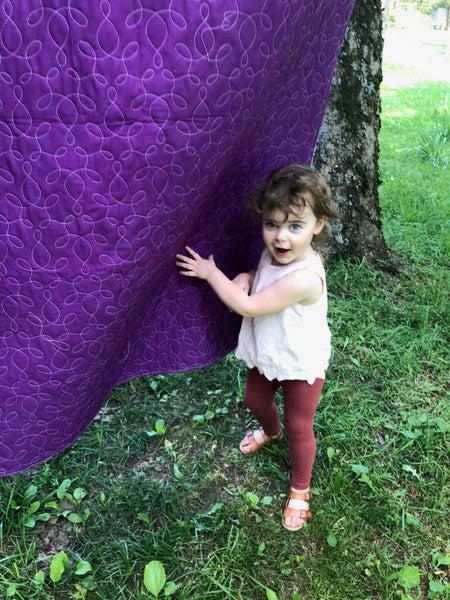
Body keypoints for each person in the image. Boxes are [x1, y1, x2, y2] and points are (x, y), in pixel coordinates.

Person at [176, 164, 339, 532]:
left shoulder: (304, 277)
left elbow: (247, 306)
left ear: (318, 225)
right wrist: (248, 277)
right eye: (272, 224)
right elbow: (262, 275)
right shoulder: (277, 253)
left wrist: (211, 273)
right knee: (254, 400)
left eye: (295, 226)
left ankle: (300, 488)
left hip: (300, 361)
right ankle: (270, 432)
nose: (281, 237)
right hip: (269, 351)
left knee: (300, 425)